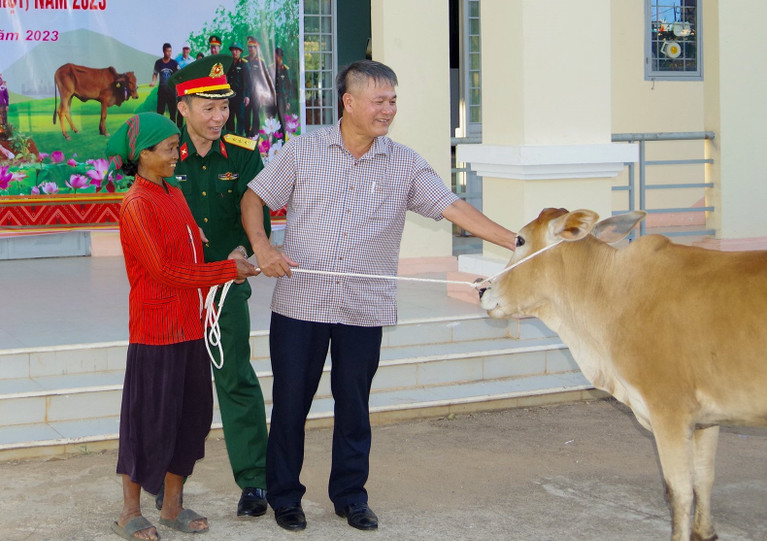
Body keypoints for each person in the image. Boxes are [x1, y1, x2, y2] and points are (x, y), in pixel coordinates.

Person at [240, 60, 516, 533]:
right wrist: (263, 246)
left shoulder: (405, 163)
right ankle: (285, 496)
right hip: (301, 303)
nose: (388, 110)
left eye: (393, 101)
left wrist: (516, 242)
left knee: (354, 408)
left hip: (364, 308)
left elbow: (453, 207)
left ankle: (351, 497)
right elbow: (254, 197)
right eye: (379, 101)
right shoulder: (305, 150)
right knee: (289, 405)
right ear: (348, 102)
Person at [107, 112, 259, 540]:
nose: (178, 154)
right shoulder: (137, 204)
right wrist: (226, 271)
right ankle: (129, 513)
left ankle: (171, 507)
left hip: (191, 325)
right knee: (147, 422)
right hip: (155, 332)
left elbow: (191, 247)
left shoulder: (173, 192)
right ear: (143, 154)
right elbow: (164, 271)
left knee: (191, 419)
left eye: (178, 147)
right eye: (171, 148)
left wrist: (224, 254)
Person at [166, 55, 272, 519]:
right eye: (208, 108)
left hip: (226, 288)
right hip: (176, 289)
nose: (218, 117)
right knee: (174, 385)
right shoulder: (163, 155)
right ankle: (168, 484)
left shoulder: (244, 154)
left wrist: (245, 250)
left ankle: (254, 482)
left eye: (224, 107)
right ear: (183, 107)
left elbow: (256, 213)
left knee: (236, 379)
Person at [244, 36, 277, 136]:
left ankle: (255, 134)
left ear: (256, 48)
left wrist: (263, 94)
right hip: (246, 92)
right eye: (249, 47)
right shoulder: (244, 60)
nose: (250, 49)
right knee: (245, 113)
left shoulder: (260, 61)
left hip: (256, 93)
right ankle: (247, 133)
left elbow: (264, 79)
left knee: (255, 113)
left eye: (253, 47)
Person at [151, 43, 180, 128]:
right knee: (160, 113)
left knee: (172, 113)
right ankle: (159, 129)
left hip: (171, 92)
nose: (169, 53)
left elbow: (178, 76)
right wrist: (153, 81)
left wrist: (178, 87)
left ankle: (172, 129)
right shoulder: (158, 63)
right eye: (167, 51)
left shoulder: (174, 63)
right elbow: (155, 74)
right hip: (162, 92)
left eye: (170, 51)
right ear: (163, 51)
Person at [226, 43, 248, 136]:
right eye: (233, 50)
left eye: (236, 50)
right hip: (230, 95)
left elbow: (247, 81)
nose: (234, 52)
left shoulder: (244, 64)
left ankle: (239, 137)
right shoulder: (229, 63)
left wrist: (247, 96)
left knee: (240, 118)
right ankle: (230, 136)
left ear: (240, 52)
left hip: (239, 96)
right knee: (229, 117)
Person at [272, 47, 294, 125]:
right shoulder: (271, 68)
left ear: (280, 57)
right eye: (274, 56)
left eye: (276, 56)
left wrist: (288, 101)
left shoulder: (285, 69)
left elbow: (288, 87)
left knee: (281, 119)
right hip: (272, 98)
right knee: (271, 119)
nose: (275, 58)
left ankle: (282, 132)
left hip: (282, 98)